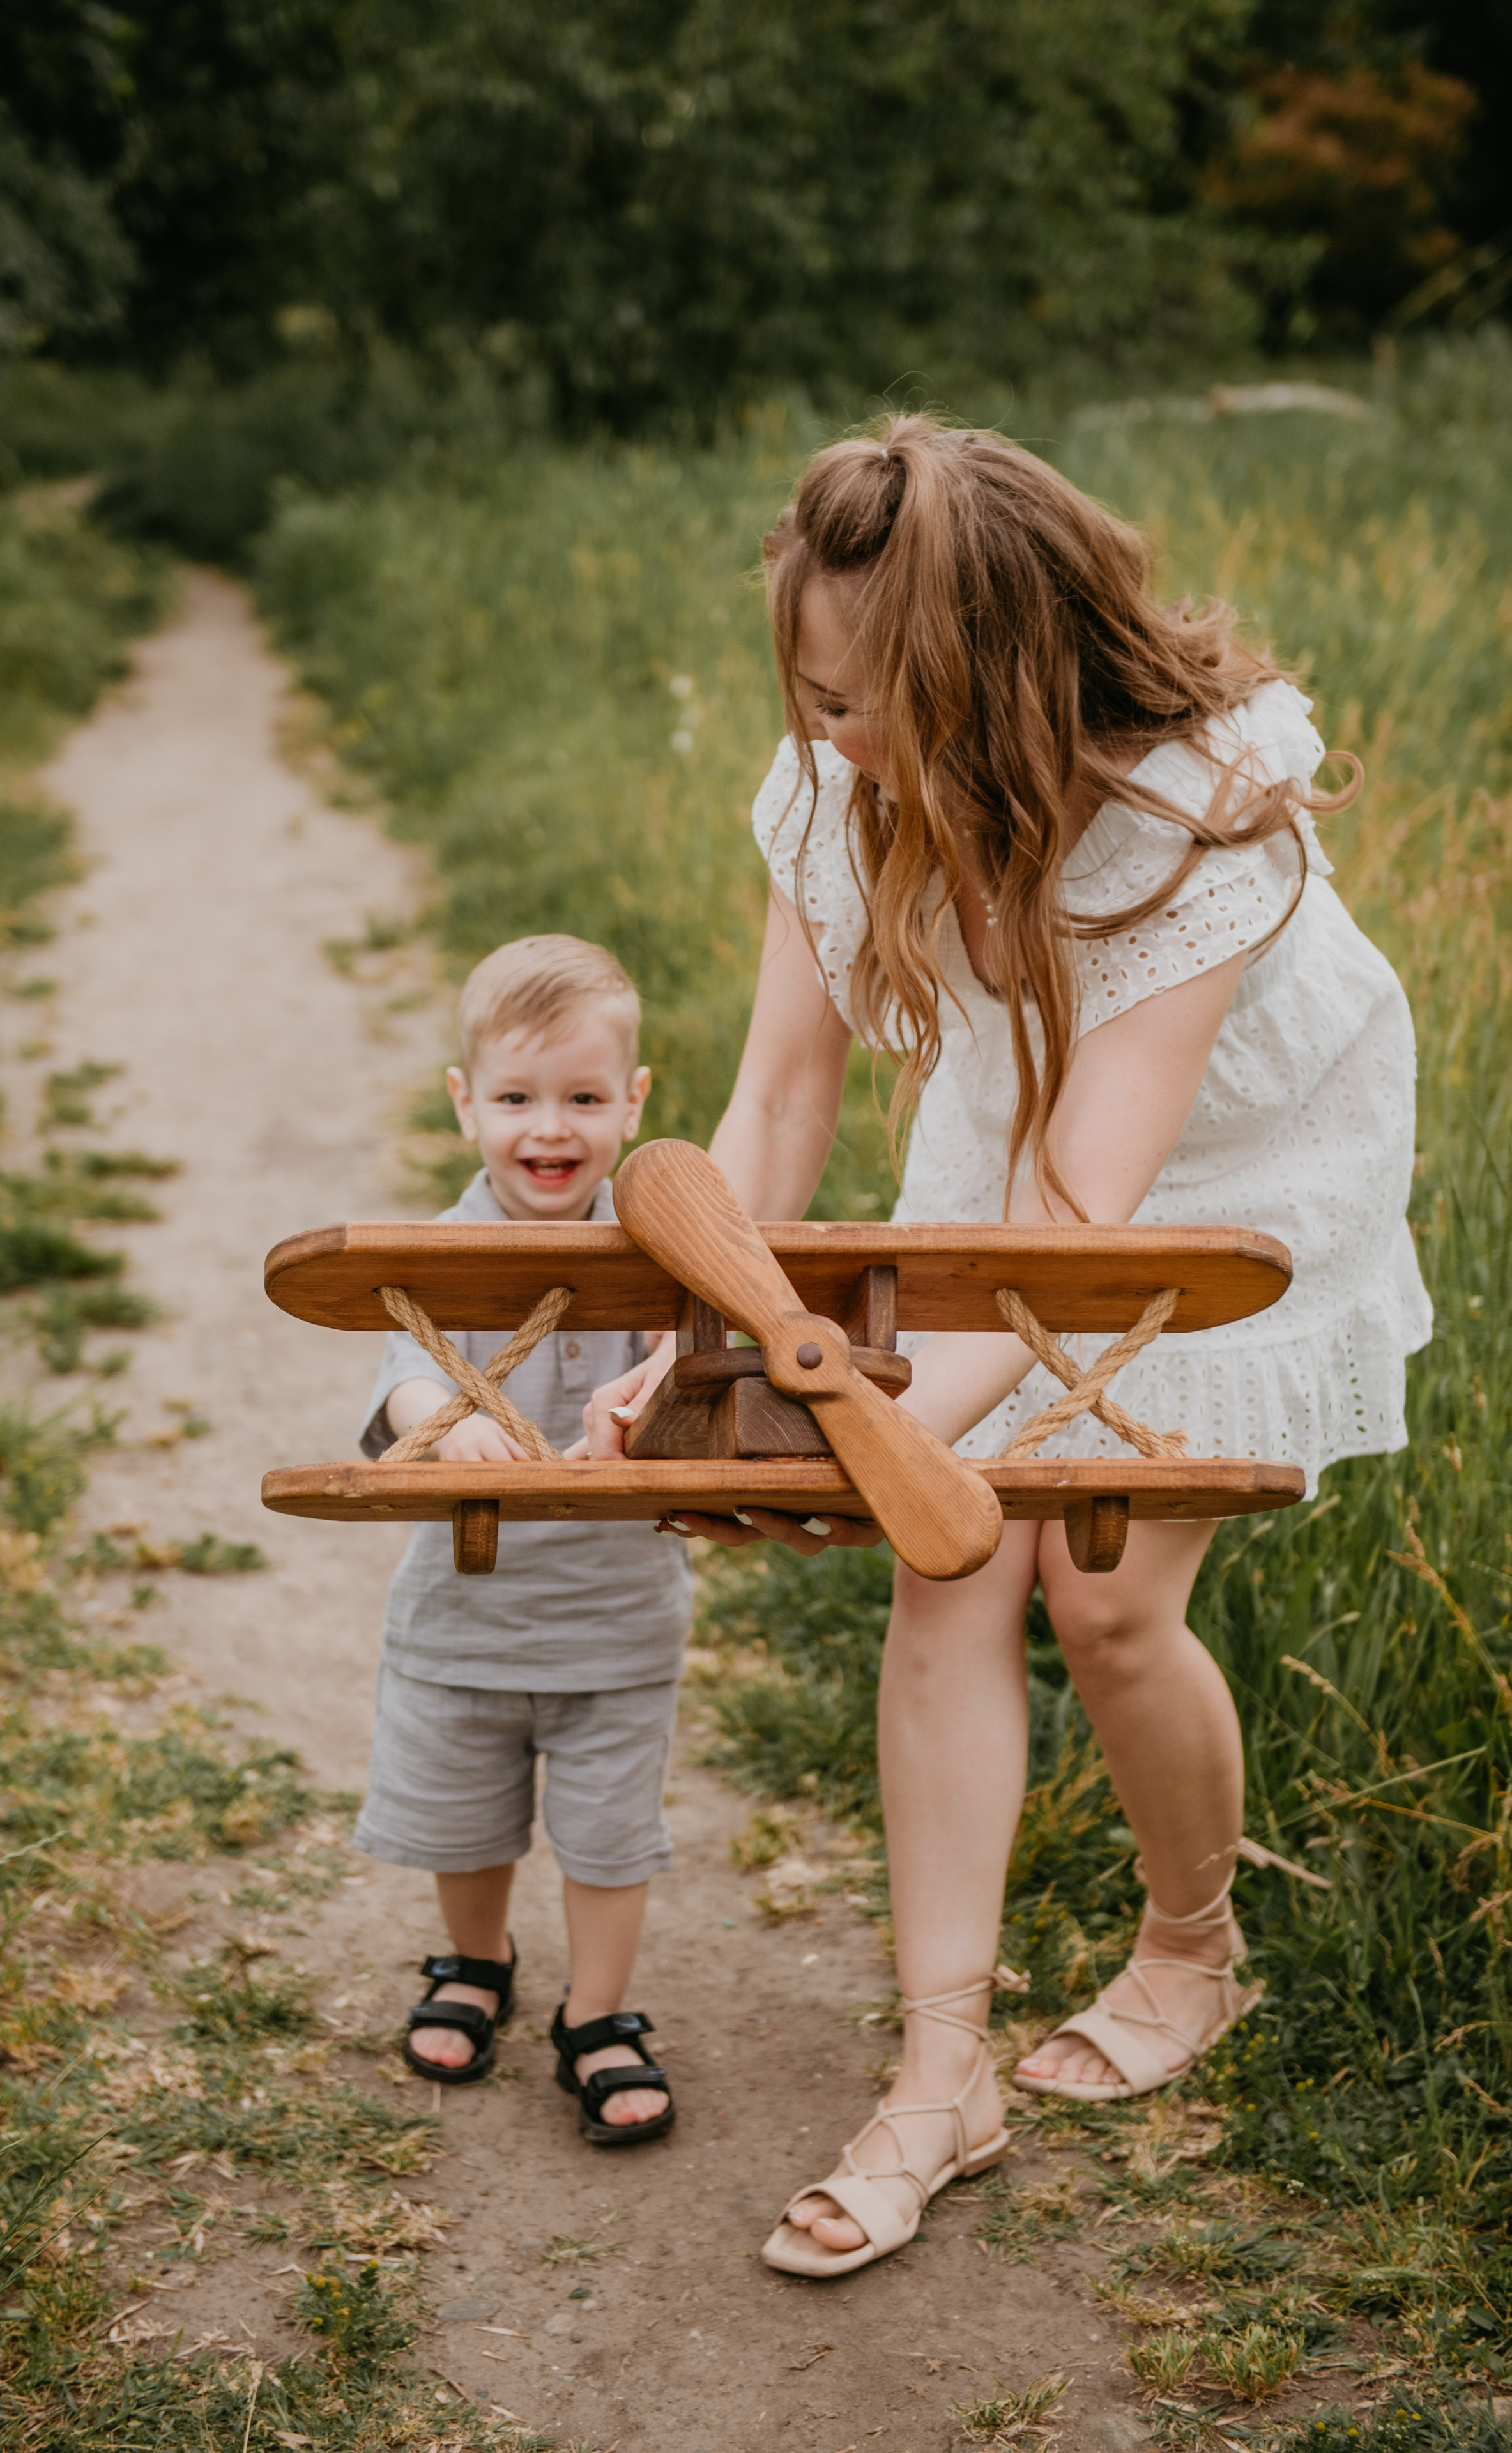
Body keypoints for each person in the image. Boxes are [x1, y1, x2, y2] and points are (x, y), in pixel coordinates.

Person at [586, 416, 1430, 2266]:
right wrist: (724, 1343)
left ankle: (1194, 1949)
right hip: (1016, 1141)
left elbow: (1081, 1224)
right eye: (812, 695)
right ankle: (939, 2073)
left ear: (1010, 682)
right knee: (950, 1575)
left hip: (1228, 1181)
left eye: (875, 706)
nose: (835, 740)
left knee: (1107, 1602)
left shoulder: (1196, 828)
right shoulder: (834, 781)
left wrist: (860, 1428)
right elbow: (781, 1101)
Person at [354, 934, 691, 2144]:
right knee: (465, 1814)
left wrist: (667, 1386)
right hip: (466, 1610)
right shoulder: (439, 1258)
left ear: (634, 1104)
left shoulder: (663, 1254)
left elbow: (701, 1367)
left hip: (615, 1617)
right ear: (467, 1106)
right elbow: (402, 1380)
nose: (549, 1130)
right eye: (516, 1100)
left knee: (609, 1835)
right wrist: (441, 1429)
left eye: (585, 1100)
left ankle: (596, 2014)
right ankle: (476, 1956)